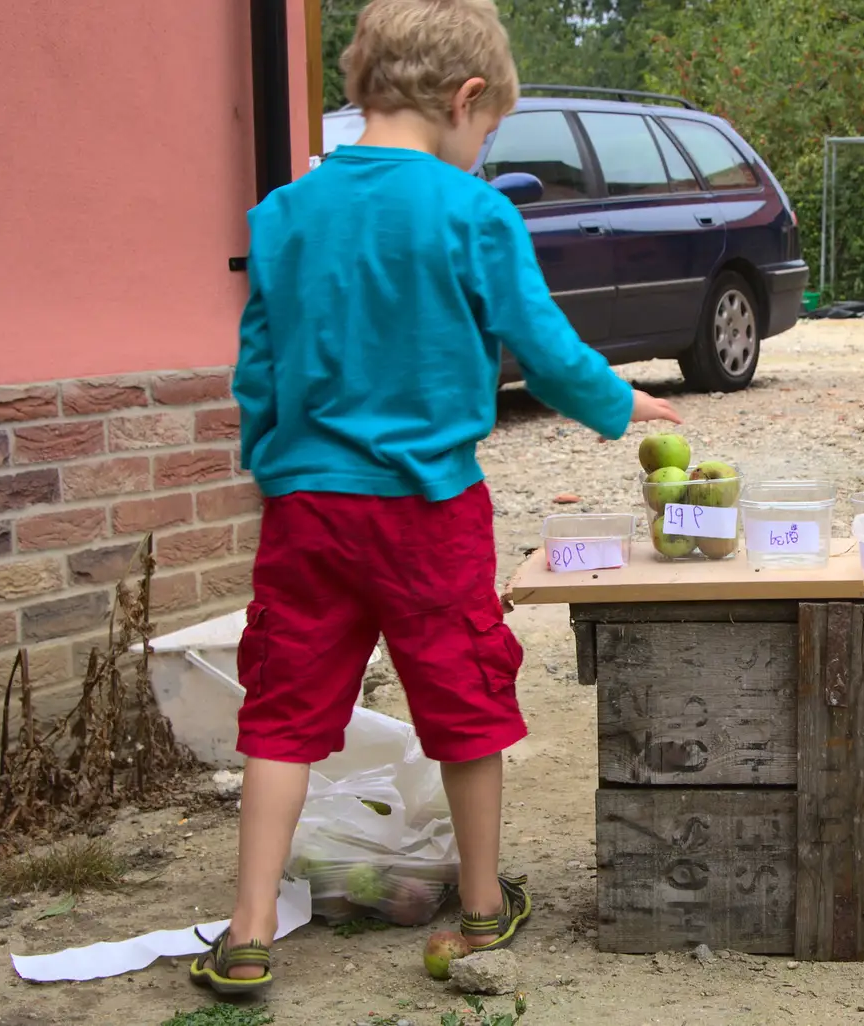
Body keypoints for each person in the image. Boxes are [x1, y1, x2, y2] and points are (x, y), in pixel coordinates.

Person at [190, 0, 681, 995]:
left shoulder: (283, 215)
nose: (481, 145)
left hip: (308, 508)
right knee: (462, 699)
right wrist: (619, 401)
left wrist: (274, 467)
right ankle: (482, 907)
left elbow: (257, 370)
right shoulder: (472, 211)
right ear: (465, 101)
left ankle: (247, 929)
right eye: (487, 129)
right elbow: (541, 350)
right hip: (429, 510)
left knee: (282, 713)